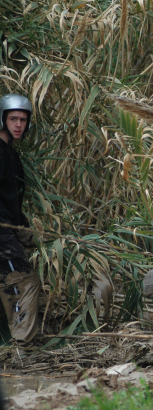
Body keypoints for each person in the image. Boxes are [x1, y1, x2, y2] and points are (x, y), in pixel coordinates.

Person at [0, 94, 39, 344]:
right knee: (23, 282)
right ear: (2, 119)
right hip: (1, 235)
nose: (18, 125)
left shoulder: (11, 155)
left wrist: (26, 231)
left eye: (23, 120)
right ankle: (21, 346)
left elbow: (9, 202)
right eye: (13, 118)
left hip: (8, 231)